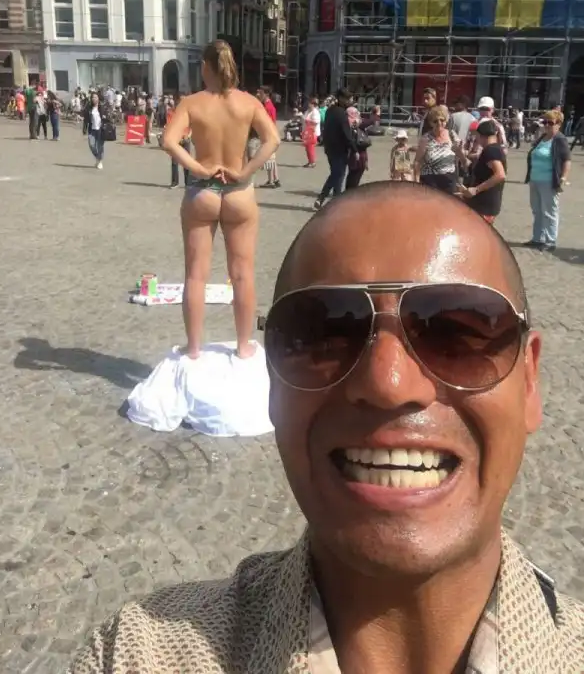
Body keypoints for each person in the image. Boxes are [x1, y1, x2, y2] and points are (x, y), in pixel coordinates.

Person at [70, 181, 584, 674]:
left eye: (455, 333)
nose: (388, 383)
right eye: (324, 334)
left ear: (529, 381)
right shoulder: (138, 656)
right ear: (272, 381)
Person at [161, 40, 280, 359]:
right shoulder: (248, 102)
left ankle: (193, 348)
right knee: (243, 274)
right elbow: (273, 139)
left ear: (205, 67)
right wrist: (245, 172)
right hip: (239, 192)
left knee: (195, 275)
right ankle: (243, 346)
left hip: (202, 190)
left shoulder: (192, 102)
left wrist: (198, 167)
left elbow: (169, 141)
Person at [525, 109, 571, 251]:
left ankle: (550, 241)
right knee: (537, 210)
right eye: (544, 122)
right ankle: (537, 238)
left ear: (558, 124)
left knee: (550, 212)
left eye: (550, 123)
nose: (546, 125)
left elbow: (567, 160)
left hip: (549, 181)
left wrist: (563, 178)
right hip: (535, 179)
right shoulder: (542, 137)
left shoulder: (560, 139)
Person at [314, 88, 358, 210]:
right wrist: (355, 149)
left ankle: (335, 200)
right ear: (341, 98)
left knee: (337, 174)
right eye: (348, 98)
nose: (350, 101)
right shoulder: (341, 113)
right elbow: (347, 134)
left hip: (329, 148)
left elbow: (326, 128)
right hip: (340, 150)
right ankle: (323, 198)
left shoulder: (330, 110)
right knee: (337, 174)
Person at [456, 119, 507, 223]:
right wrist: (460, 154)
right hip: (482, 204)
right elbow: (473, 168)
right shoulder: (492, 149)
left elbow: (500, 174)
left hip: (484, 205)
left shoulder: (491, 150)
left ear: (480, 135)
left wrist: (476, 189)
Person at [414, 105, 468, 193]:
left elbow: (463, 160)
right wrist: (416, 181)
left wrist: (460, 152)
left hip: (449, 180)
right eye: (435, 121)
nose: (439, 123)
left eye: (442, 120)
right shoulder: (425, 139)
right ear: (431, 123)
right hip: (430, 180)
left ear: (446, 121)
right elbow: (417, 162)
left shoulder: (452, 135)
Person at [257, 86, 281, 187]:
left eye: (261, 93)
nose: (259, 95)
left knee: (268, 156)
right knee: (272, 157)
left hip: (268, 134)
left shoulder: (267, 107)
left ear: (266, 94)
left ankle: (271, 180)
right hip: (271, 133)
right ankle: (276, 179)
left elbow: (266, 122)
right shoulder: (269, 105)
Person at [345, 105, 368, 189]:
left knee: (355, 174)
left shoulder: (357, 122)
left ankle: (350, 190)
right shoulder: (351, 122)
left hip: (358, 153)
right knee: (354, 174)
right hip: (356, 153)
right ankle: (350, 191)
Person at [84, 92, 108, 170]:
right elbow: (86, 119)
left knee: (100, 146)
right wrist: (84, 128)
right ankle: (98, 158)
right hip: (92, 129)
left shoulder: (102, 107)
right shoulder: (89, 108)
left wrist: (105, 117)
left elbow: (107, 117)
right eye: (92, 97)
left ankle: (100, 161)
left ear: (98, 98)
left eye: (95, 97)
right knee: (91, 145)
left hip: (101, 129)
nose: (94, 99)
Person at [302, 97, 320, 167]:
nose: (308, 104)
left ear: (313, 104)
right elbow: (304, 118)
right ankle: (310, 161)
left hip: (312, 132)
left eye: (310, 103)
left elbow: (315, 122)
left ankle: (312, 162)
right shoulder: (308, 111)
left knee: (310, 148)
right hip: (307, 132)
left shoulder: (315, 112)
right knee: (307, 148)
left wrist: (306, 120)